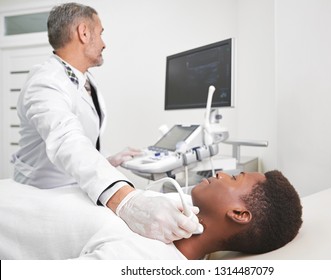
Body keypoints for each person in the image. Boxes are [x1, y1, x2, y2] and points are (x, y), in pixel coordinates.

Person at [10, 2, 199, 243]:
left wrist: (109, 159)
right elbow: (66, 140)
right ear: (84, 32)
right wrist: (126, 201)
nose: (104, 43)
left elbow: (84, 139)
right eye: (100, 33)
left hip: (74, 185)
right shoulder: (45, 82)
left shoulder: (83, 79)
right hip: (46, 195)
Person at [0, 170, 302, 260]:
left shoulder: (148, 261)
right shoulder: (178, 206)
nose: (222, 172)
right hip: (13, 191)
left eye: (235, 177)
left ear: (238, 213)